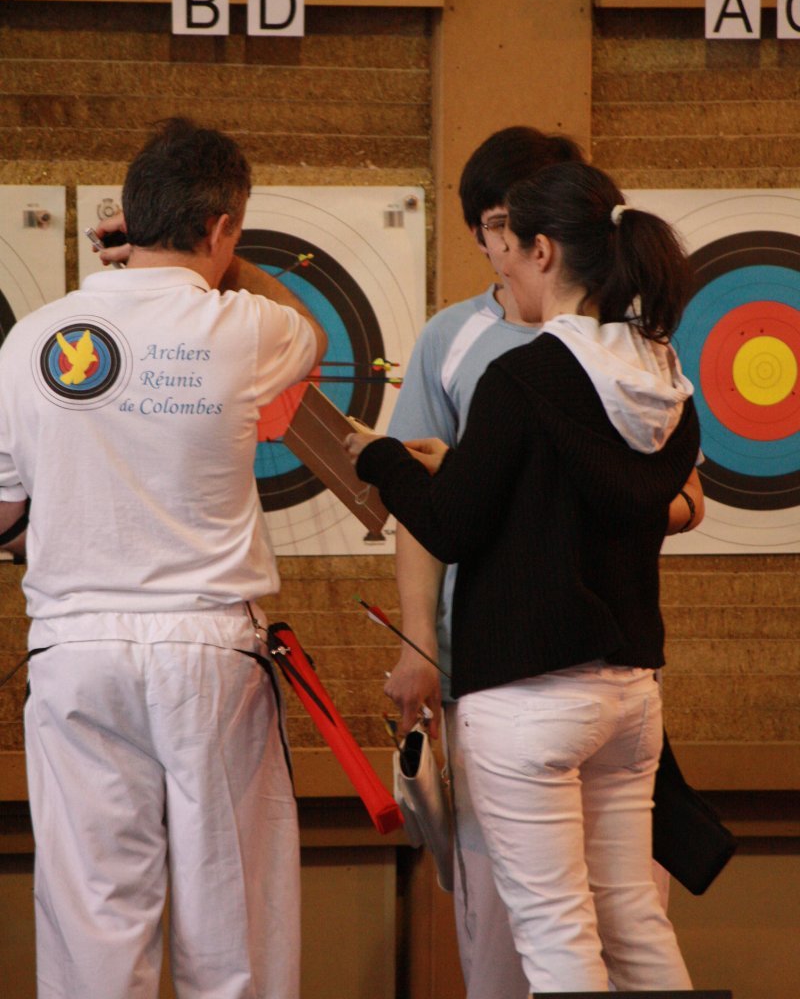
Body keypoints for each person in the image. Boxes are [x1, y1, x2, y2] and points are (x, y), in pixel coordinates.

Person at [346, 160, 699, 993]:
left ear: (544, 251)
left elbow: (449, 526)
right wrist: (463, 465)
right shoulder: (663, 381)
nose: (501, 266)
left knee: (555, 931)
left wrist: (383, 459)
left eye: (508, 249)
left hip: (530, 695)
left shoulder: (523, 375)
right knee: (633, 921)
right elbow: (578, 494)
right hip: (629, 693)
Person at [0, 118, 327, 999]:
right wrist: (229, 264)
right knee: (233, 926)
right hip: (208, 652)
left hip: (73, 648)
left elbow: (4, 515)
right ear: (222, 227)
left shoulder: (31, 340)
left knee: (95, 927)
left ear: (130, 216)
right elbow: (309, 330)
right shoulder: (247, 325)